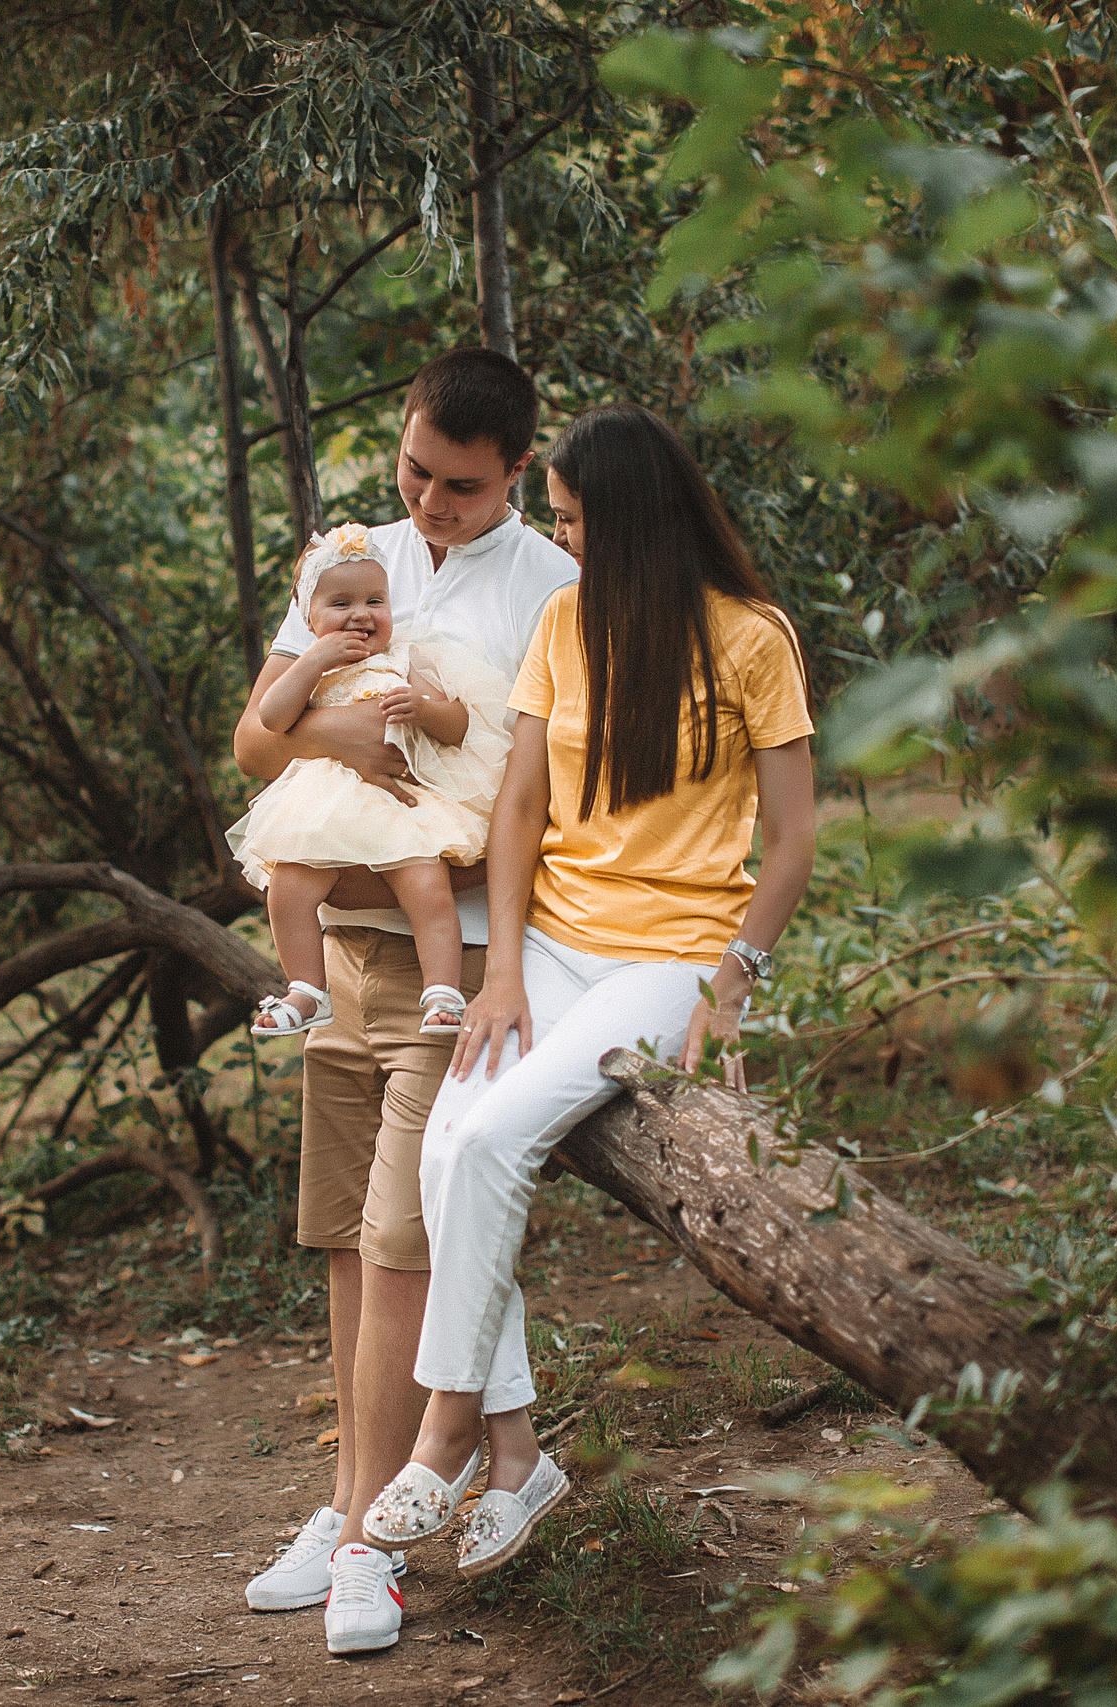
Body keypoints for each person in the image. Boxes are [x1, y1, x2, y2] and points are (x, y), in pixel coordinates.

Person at [360, 403, 817, 1580]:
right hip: (553, 947)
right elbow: (519, 808)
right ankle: (517, 1456)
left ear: (635, 523)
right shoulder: (564, 623)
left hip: (668, 960)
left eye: (570, 520)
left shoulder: (754, 638)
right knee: (446, 1143)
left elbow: (794, 839)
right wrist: (500, 965)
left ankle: (447, 1430)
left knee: (498, 1136)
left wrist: (732, 987)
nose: (558, 542)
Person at [229, 348, 578, 1654]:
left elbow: (552, 798)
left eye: (462, 486)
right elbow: (260, 741)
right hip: (345, 945)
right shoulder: (355, 549)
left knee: (400, 1249)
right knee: (341, 1243)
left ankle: (369, 1537)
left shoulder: (556, 589)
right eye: (416, 469)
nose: (429, 503)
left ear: (518, 475)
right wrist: (353, 732)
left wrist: (506, 972)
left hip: (462, 962)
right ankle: (348, 1496)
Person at [226, 525, 514, 1042]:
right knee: (289, 887)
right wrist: (314, 660)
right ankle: (306, 989)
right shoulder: (312, 670)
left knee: (426, 886)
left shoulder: (403, 658)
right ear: (309, 619)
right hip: (326, 805)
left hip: (402, 804)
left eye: (374, 600)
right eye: (340, 604)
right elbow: (270, 718)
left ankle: (442, 992)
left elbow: (459, 724)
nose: (361, 614)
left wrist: (423, 711)